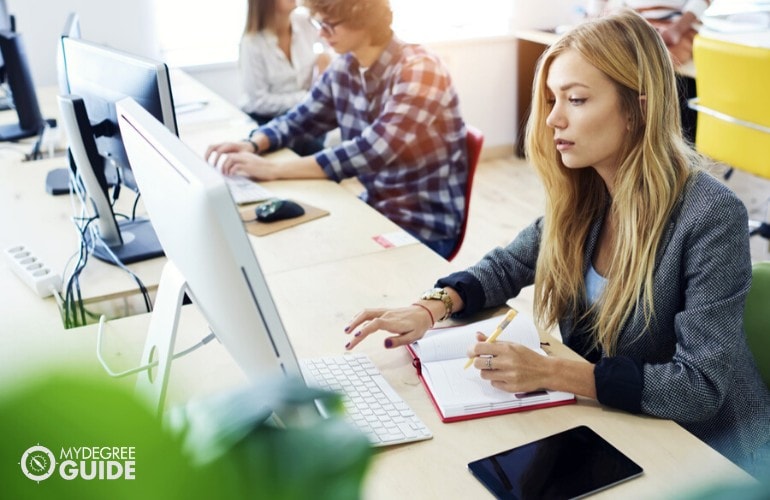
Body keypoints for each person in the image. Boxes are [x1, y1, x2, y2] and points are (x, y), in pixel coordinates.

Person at [344, 10, 770, 477]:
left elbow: (698, 387)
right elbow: (506, 267)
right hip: (618, 431)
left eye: (577, 99)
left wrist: (552, 373)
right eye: (551, 99)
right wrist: (430, 306)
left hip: (711, 456)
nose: (552, 118)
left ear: (640, 108)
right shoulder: (588, 194)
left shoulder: (710, 215)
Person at [206, 0, 469, 259]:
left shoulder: (421, 69)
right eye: (318, 23)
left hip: (422, 226)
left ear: (363, 20)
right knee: (294, 251)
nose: (321, 33)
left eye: (329, 25)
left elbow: (371, 151)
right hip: (375, 208)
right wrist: (253, 144)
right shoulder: (345, 67)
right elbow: (301, 118)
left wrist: (272, 170)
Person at [239, 0, 330, 155]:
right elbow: (259, 101)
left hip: (303, 111)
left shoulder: (304, 21)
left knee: (316, 140)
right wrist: (307, 98)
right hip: (266, 117)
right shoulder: (251, 43)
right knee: (311, 148)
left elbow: (336, 41)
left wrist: (324, 61)